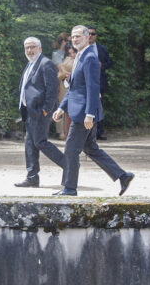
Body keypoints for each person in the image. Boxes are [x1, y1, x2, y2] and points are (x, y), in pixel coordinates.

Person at [52, 26, 134, 197]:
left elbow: (92, 88)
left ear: (88, 37)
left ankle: (69, 188)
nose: (75, 39)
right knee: (90, 148)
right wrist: (61, 107)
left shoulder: (89, 57)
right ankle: (122, 175)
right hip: (80, 110)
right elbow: (74, 88)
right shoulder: (79, 56)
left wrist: (90, 113)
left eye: (78, 36)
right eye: (73, 37)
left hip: (84, 114)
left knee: (71, 150)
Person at [13, 37, 65, 188]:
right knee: (30, 144)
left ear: (40, 48)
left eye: (32, 47)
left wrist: (46, 109)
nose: (29, 50)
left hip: (40, 111)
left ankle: (69, 166)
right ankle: (32, 177)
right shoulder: (30, 64)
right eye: (27, 47)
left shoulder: (45, 63)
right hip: (29, 111)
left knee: (40, 142)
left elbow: (52, 89)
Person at [88, 26, 112, 140]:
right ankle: (88, 132)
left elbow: (110, 62)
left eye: (93, 34)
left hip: (99, 81)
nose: (91, 36)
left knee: (99, 106)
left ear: (96, 36)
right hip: (86, 82)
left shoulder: (102, 49)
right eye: (88, 34)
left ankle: (100, 131)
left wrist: (102, 65)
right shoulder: (82, 49)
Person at [54, 45, 78, 139]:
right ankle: (61, 132)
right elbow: (59, 75)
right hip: (64, 85)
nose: (72, 54)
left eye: (73, 52)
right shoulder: (67, 59)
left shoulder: (83, 59)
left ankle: (72, 133)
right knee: (62, 108)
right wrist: (65, 74)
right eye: (69, 53)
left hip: (76, 88)